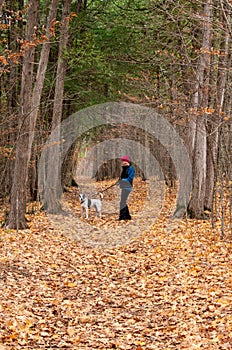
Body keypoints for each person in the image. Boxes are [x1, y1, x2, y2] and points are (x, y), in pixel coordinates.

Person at [118, 155, 135, 220]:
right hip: (123, 187)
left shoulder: (131, 168)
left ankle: (122, 217)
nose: (123, 162)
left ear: (128, 161)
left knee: (122, 201)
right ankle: (127, 216)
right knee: (123, 201)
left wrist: (123, 180)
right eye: (123, 161)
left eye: (125, 161)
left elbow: (130, 178)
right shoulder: (124, 168)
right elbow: (122, 177)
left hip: (128, 187)